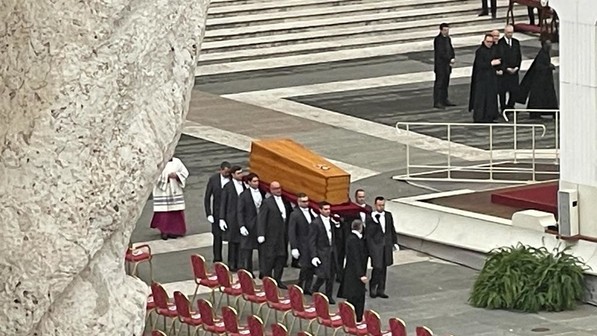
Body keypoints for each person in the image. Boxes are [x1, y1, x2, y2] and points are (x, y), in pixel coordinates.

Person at [257, 181, 292, 288]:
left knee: (281, 257)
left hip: (282, 235)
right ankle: (268, 279)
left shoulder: (285, 202)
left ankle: (278, 279)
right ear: (271, 190)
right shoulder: (267, 203)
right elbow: (261, 219)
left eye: (279, 188)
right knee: (270, 258)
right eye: (276, 189)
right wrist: (261, 234)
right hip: (271, 235)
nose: (278, 190)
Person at [336, 189, 371, 285]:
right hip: (351, 237)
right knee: (348, 257)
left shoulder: (368, 208)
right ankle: (340, 276)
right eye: (360, 197)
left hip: (364, 238)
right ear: (356, 197)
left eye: (363, 197)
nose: (362, 199)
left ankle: (361, 277)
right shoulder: (351, 209)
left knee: (362, 258)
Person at [365, 196, 398, 299]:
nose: (381, 207)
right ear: (375, 205)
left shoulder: (388, 215)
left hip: (386, 245)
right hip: (376, 246)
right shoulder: (371, 217)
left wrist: (394, 242)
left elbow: (391, 229)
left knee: (384, 268)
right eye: (379, 205)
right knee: (377, 267)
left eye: (383, 205)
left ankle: (381, 289)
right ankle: (373, 286)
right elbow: (369, 234)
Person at [309, 201, 341, 304]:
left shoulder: (331, 221)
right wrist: (314, 256)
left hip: (331, 252)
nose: (328, 211)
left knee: (331, 275)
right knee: (323, 275)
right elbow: (312, 241)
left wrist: (337, 225)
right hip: (322, 252)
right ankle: (314, 289)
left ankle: (329, 295)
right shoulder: (315, 223)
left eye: (329, 209)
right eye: (325, 209)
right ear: (320, 210)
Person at [150, 157, 189, 240]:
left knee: (176, 211)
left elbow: (185, 172)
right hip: (163, 190)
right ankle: (165, 231)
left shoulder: (177, 161)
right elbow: (153, 175)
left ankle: (176, 231)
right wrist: (166, 177)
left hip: (174, 188)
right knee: (164, 213)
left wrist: (177, 175)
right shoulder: (159, 162)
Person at [518, 40, 558, 119]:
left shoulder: (543, 54)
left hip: (543, 80)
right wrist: (549, 67)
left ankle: (539, 112)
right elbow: (539, 67)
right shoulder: (542, 55)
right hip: (540, 81)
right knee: (540, 98)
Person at [340, 220, 368, 322]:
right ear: (360, 228)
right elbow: (356, 258)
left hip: (352, 273)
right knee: (357, 297)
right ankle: (357, 318)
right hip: (354, 274)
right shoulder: (354, 240)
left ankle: (353, 317)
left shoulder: (353, 238)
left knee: (354, 297)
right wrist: (361, 275)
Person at [469, 34, 502, 123]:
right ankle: (480, 117)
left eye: (491, 42)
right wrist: (491, 63)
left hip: (491, 78)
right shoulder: (480, 51)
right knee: (481, 98)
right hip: (482, 79)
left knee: (491, 98)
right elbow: (479, 64)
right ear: (484, 41)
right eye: (488, 42)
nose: (489, 44)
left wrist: (498, 67)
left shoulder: (494, 50)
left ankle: (490, 116)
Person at [219, 165, 246, 271]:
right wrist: (222, 218)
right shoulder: (228, 187)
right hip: (232, 217)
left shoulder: (244, 185)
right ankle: (231, 263)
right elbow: (223, 203)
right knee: (233, 242)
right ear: (233, 175)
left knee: (241, 241)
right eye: (238, 173)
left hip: (242, 216)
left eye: (241, 172)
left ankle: (240, 263)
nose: (241, 175)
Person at [288, 192, 315, 293]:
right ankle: (300, 285)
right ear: (298, 202)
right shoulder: (295, 214)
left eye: (307, 201)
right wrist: (294, 247)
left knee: (311, 268)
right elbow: (292, 232)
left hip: (311, 245)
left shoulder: (311, 212)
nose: (306, 203)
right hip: (302, 245)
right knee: (305, 267)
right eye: (303, 201)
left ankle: (308, 288)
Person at [203, 161, 230, 262]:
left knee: (231, 237)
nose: (227, 174)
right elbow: (207, 197)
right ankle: (217, 258)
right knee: (217, 236)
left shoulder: (231, 179)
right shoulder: (213, 179)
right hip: (217, 212)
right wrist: (209, 213)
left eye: (228, 172)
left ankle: (232, 260)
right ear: (221, 170)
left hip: (229, 211)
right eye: (225, 172)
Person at [237, 173, 263, 273]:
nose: (257, 183)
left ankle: (263, 271)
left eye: (257, 181)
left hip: (260, 226)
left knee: (262, 250)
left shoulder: (262, 193)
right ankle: (248, 271)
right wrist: (242, 226)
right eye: (254, 181)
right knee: (247, 250)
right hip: (249, 225)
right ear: (249, 182)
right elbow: (240, 211)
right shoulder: (244, 195)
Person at [497, 25, 522, 113]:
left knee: (514, 90)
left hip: (514, 71)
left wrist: (517, 67)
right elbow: (499, 58)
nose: (510, 34)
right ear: (504, 32)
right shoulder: (500, 43)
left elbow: (519, 56)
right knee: (502, 90)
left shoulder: (516, 42)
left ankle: (511, 106)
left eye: (511, 32)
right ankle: (503, 107)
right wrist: (506, 68)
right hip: (505, 72)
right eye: (508, 33)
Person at [433, 23, 456, 109]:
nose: (446, 32)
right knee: (439, 83)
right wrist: (449, 59)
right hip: (440, 66)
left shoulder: (448, 39)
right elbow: (441, 53)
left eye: (447, 30)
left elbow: (450, 48)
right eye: (445, 30)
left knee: (446, 82)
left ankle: (444, 99)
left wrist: (453, 56)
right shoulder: (438, 40)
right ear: (441, 30)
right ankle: (438, 101)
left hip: (447, 65)